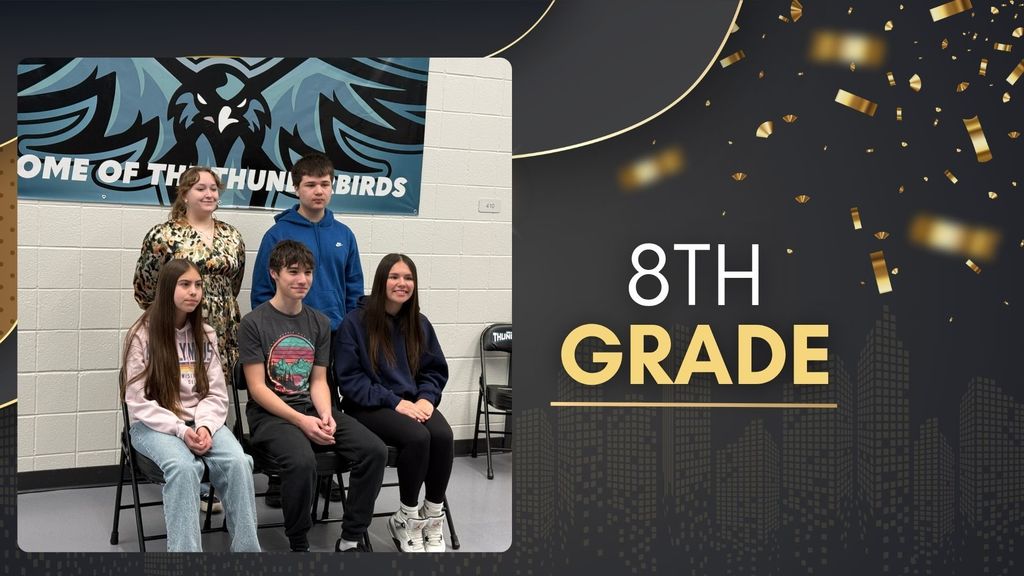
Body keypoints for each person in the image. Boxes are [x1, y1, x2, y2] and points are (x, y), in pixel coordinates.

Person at [239, 240, 386, 552]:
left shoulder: (319, 322)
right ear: (273, 273)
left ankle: (351, 537)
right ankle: (299, 541)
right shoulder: (253, 323)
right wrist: (302, 421)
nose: (302, 279)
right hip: (272, 416)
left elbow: (319, 380)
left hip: (313, 408)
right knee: (302, 462)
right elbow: (257, 389)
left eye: (307, 272)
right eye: (293, 272)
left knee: (374, 450)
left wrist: (326, 415)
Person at [122, 259, 260, 552]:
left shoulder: (205, 333)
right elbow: (136, 401)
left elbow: (216, 394)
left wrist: (205, 426)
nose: (194, 292)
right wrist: (181, 432)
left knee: (239, 463)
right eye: (185, 285)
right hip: (155, 426)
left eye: (198, 285)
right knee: (184, 468)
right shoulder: (142, 334)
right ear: (168, 288)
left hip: (200, 422)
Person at [250, 152, 363, 507]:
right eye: (310, 184)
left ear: (332, 188)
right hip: (284, 340)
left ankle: (322, 473)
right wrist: (271, 336)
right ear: (296, 188)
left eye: (324, 184)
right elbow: (260, 293)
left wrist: (347, 330)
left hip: (330, 336)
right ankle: (279, 477)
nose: (318, 191)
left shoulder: (344, 234)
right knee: (282, 401)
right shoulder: (278, 233)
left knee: (325, 402)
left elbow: (354, 289)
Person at [133, 166, 246, 513]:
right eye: (200, 188)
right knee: (176, 397)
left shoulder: (231, 235)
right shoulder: (164, 235)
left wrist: (215, 307)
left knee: (214, 396)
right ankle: (187, 477)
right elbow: (145, 286)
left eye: (214, 188)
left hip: (220, 329)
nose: (209, 194)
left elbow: (235, 282)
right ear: (184, 194)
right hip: (176, 331)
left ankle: (214, 482)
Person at [335, 254, 453, 553]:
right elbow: (350, 379)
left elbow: (433, 370)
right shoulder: (355, 322)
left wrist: (427, 397)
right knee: (417, 437)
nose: (402, 283)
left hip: (412, 402)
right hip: (367, 405)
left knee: (443, 435)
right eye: (394, 277)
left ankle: (432, 514)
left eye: (408, 278)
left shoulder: (419, 323)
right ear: (381, 281)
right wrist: (395, 402)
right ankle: (407, 517)